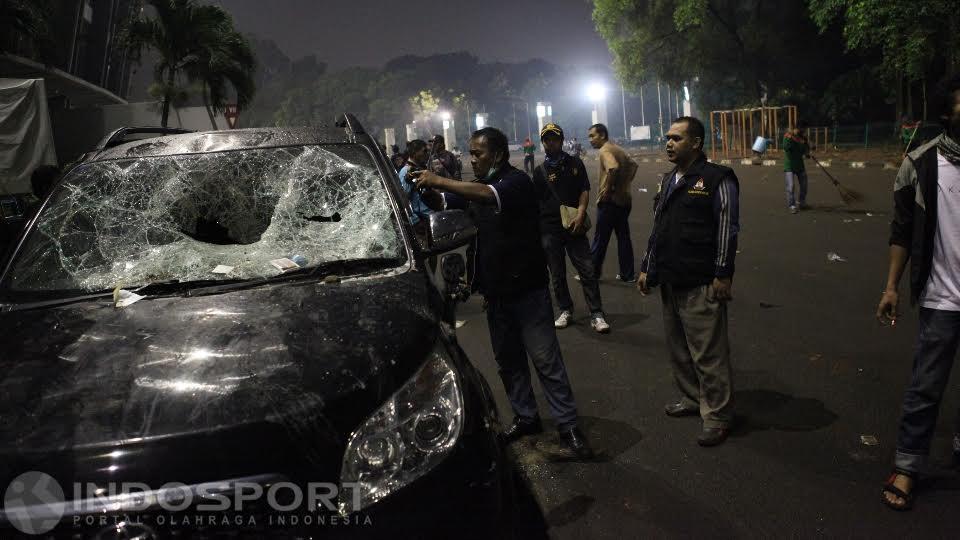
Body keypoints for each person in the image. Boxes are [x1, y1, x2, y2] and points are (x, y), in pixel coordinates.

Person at [411, 127, 593, 459]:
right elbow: (445, 201)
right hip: (495, 292)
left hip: (527, 289)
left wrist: (439, 180)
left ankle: (568, 426)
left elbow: (485, 196)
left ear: (497, 155)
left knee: (545, 360)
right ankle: (526, 417)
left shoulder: (515, 183)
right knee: (508, 362)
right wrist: (423, 187)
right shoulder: (479, 186)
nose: (472, 159)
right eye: (470, 153)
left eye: (478, 153)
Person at [877, 75, 960, 511]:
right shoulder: (923, 163)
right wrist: (891, 286)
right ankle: (907, 467)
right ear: (948, 112)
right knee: (926, 386)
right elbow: (903, 231)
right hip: (942, 298)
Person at [637, 116, 741, 447]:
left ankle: (718, 416)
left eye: (676, 138)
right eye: (667, 137)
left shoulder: (717, 179)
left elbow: (728, 227)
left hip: (701, 280)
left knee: (708, 354)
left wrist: (723, 273)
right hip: (670, 277)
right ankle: (693, 398)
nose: (668, 143)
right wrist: (647, 268)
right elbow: (658, 228)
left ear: (696, 143)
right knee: (679, 349)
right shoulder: (669, 179)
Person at [533, 123, 609, 333]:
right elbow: (536, 203)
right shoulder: (539, 172)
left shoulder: (575, 163)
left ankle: (596, 313)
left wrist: (582, 212)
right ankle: (565, 309)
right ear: (543, 142)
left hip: (575, 225)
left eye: (554, 139)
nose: (550, 143)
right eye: (546, 139)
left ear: (561, 140)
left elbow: (584, 189)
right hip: (550, 229)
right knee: (557, 274)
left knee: (587, 270)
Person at [588, 123, 638, 282]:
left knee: (600, 239)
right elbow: (633, 165)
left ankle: (592, 274)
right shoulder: (618, 149)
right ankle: (627, 275)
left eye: (592, 136)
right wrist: (624, 184)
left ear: (602, 135)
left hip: (610, 203)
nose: (590, 140)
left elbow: (613, 168)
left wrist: (608, 191)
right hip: (624, 200)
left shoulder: (605, 150)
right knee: (623, 237)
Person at [397, 139, 432, 235]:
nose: (427, 154)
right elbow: (404, 200)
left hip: (428, 219)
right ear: (414, 152)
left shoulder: (419, 168)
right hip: (420, 222)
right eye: (424, 151)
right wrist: (415, 221)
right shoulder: (406, 171)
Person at [783, 123, 810, 214]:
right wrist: (790, 139)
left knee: (804, 185)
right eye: (798, 130)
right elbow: (786, 147)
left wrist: (807, 153)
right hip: (789, 165)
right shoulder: (788, 137)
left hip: (800, 165)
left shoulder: (802, 138)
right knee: (791, 186)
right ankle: (792, 205)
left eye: (802, 130)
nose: (800, 131)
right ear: (794, 129)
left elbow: (806, 149)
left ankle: (801, 202)